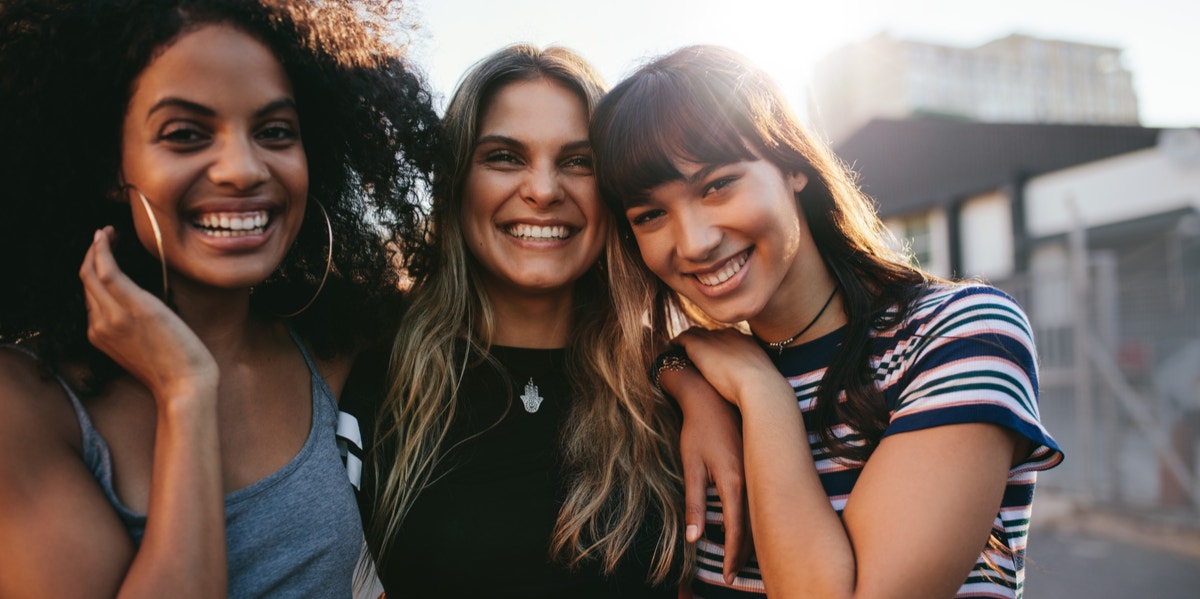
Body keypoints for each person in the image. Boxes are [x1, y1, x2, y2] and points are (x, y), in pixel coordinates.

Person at [590, 45, 1065, 599]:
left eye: (717, 184)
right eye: (650, 215)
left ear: (792, 165)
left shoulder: (959, 335)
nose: (694, 242)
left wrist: (762, 394)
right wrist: (681, 373)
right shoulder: (698, 379)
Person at [0, 0, 439, 596]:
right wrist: (185, 392)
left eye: (275, 132)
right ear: (109, 164)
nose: (241, 169)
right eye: (185, 134)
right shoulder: (25, 406)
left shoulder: (333, 344)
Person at [350, 44, 747, 597]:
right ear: (457, 182)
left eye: (578, 161)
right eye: (505, 157)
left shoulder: (673, 397)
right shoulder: (368, 375)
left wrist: (688, 381)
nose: (542, 190)